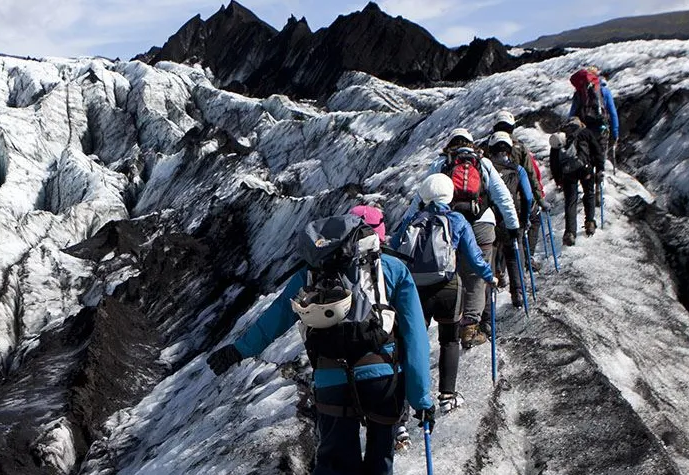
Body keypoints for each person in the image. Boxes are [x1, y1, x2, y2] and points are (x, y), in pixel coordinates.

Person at [207, 214, 433, 474]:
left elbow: (275, 319)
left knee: (335, 464)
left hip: (331, 377)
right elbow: (415, 334)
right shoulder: (390, 268)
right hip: (382, 377)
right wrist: (422, 399)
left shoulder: (309, 275)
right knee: (380, 458)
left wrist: (239, 350)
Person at [391, 175, 494, 413]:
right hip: (448, 287)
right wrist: (490, 277)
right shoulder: (456, 220)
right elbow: (474, 257)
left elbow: (395, 247)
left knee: (413, 343)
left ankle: (406, 404)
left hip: (415, 291)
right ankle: (448, 395)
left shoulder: (412, 220)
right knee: (449, 340)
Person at [431, 128, 520, 345]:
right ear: (471, 144)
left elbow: (424, 196)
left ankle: (461, 321)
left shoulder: (441, 165)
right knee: (478, 275)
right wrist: (513, 226)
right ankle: (472, 328)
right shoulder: (483, 163)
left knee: (456, 275)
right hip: (482, 224)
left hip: (450, 225)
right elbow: (502, 197)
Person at [485, 131, 545, 308]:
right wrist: (524, 219)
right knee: (513, 254)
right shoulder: (517, 170)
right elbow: (527, 197)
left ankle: (490, 294)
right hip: (511, 219)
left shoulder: (486, 169)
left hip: (490, 220)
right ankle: (517, 293)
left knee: (490, 253)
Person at [551, 118, 605, 244]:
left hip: (568, 172)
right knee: (589, 194)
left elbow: (554, 160)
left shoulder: (560, 136)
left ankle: (570, 232)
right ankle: (590, 222)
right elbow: (597, 151)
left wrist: (558, 179)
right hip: (585, 169)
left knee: (571, 201)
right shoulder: (585, 132)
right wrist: (600, 169)